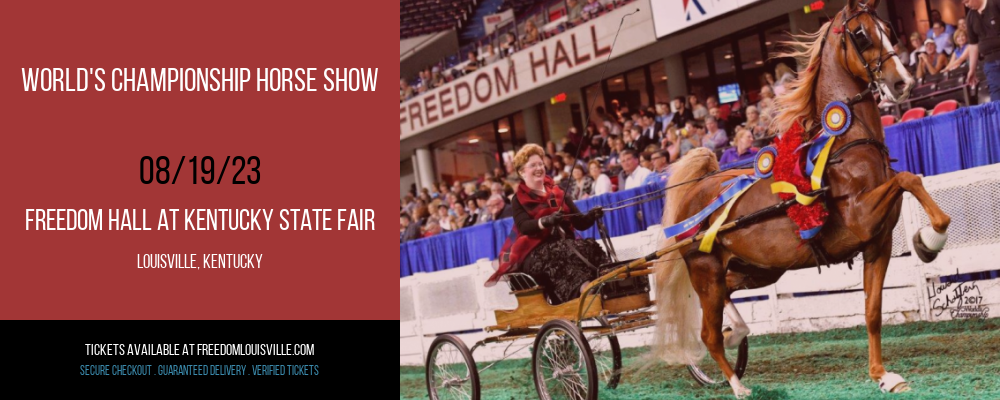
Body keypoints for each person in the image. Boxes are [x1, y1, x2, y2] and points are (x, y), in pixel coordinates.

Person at [484, 144, 610, 305]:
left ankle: (608, 284)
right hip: (535, 253)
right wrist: (547, 221)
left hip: (564, 246)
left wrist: (592, 215)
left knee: (590, 246)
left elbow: (580, 223)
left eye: (540, 164)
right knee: (559, 252)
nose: (539, 168)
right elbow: (524, 226)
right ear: (522, 172)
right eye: (533, 165)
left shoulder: (559, 192)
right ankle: (582, 289)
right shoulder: (518, 199)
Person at [964, 0, 1000, 101]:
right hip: (989, 62)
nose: (967, 5)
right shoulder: (970, 17)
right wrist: (972, 69)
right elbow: (973, 45)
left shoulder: (995, 3)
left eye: (967, 1)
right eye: (964, 3)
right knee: (996, 96)